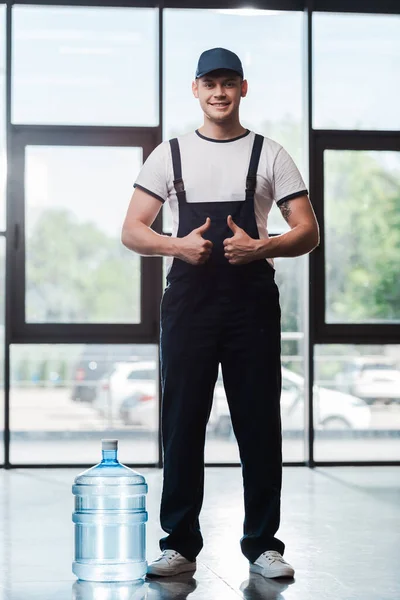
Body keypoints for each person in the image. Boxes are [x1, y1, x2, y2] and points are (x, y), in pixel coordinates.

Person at [121, 47, 319, 580]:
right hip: (187, 304)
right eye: (210, 83)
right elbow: (132, 228)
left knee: (259, 423)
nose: (219, 92)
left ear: (243, 89)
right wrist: (175, 246)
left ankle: (263, 546)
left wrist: (262, 248)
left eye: (229, 83)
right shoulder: (171, 154)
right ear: (195, 90)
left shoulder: (270, 153)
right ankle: (179, 544)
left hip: (251, 304)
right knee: (182, 422)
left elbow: (307, 230)